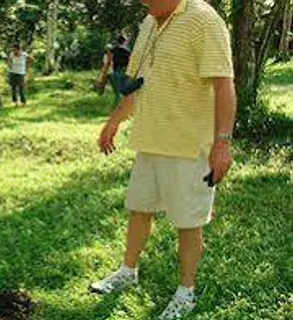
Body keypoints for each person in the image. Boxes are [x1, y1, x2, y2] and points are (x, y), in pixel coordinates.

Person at [91, 0, 236, 319]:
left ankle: (186, 292)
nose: (145, 3)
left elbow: (224, 84)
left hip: (188, 146)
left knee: (188, 223)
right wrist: (115, 119)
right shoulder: (148, 22)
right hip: (149, 140)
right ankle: (128, 271)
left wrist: (222, 144)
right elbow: (137, 83)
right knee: (139, 209)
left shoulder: (203, 20)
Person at [98, 36, 131, 105]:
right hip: (125, 70)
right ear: (124, 41)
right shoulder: (128, 51)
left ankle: (117, 105)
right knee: (123, 89)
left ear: (117, 41)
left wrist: (104, 71)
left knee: (117, 90)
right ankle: (120, 105)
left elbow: (109, 60)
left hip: (116, 70)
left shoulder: (113, 50)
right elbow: (130, 61)